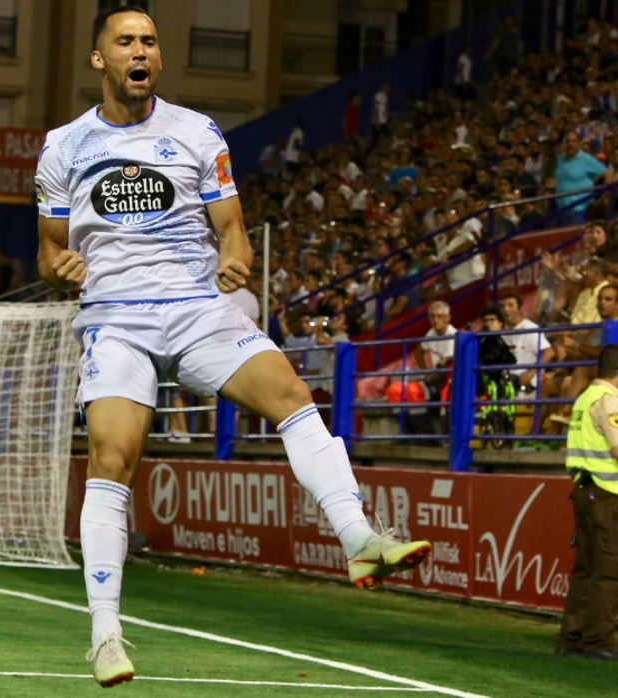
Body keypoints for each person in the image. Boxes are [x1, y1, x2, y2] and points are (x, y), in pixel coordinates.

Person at [34, 6, 430, 687]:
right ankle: (104, 635)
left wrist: (235, 259)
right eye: (126, 41)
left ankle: (359, 540)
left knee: (292, 393)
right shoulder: (64, 146)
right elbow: (48, 252)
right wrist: (59, 268)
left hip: (195, 309)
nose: (141, 51)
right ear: (100, 58)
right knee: (112, 455)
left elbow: (234, 227)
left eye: (150, 42)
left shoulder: (196, 132)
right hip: (116, 320)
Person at [556, 345, 618, 662]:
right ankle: (599, 640)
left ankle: (572, 638)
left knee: (586, 569)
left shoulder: (585, 398)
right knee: (608, 571)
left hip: (585, 490)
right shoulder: (609, 401)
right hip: (608, 496)